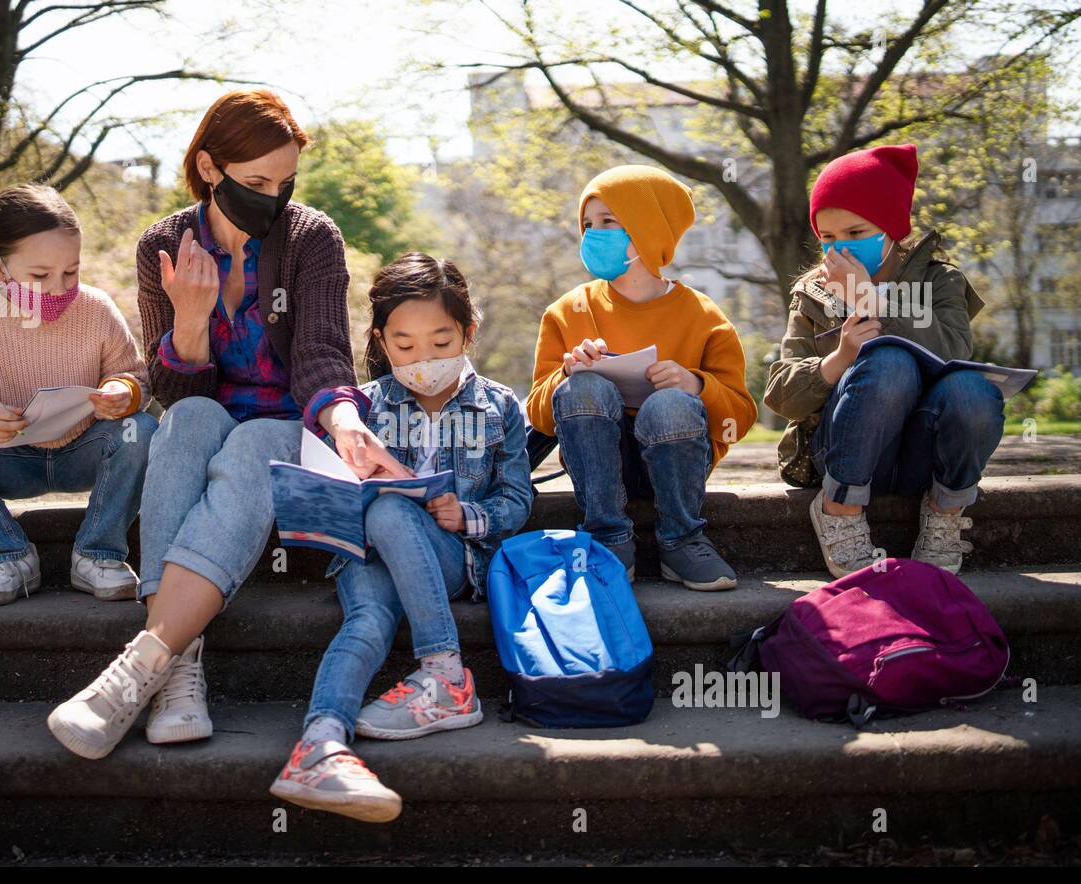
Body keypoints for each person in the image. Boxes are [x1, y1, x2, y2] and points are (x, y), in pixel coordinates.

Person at [47, 89, 406, 759]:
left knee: (249, 441)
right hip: (203, 417)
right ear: (210, 168)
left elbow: (323, 353)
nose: (275, 196)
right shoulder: (163, 243)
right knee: (184, 423)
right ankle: (178, 668)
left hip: (289, 426)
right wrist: (189, 318)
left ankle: (146, 662)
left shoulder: (310, 237)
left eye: (286, 180)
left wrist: (347, 418)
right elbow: (176, 389)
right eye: (256, 181)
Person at [269, 253, 532, 822]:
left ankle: (445, 674)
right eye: (405, 345)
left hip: (451, 558)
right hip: (368, 556)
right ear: (383, 342)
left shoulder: (499, 406)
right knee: (367, 616)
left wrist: (467, 516)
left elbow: (517, 500)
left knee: (391, 513)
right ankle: (322, 742)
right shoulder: (365, 406)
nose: (424, 359)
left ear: (467, 332)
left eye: (441, 341)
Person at [0, 183, 155, 607]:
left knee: (143, 430)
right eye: (39, 276)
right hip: (7, 457)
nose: (59, 287)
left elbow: (134, 376)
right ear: (0, 268)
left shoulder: (96, 309)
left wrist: (124, 392)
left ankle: (99, 554)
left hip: (86, 449)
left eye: (71, 272)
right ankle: (7, 557)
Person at [764, 143, 1002, 577]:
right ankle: (839, 510)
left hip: (919, 452)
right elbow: (781, 395)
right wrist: (839, 359)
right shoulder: (813, 293)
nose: (843, 249)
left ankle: (944, 512)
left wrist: (871, 301)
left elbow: (953, 350)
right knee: (888, 363)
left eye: (856, 233)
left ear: (891, 228)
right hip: (843, 451)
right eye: (829, 238)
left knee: (973, 390)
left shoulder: (941, 280)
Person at [526, 165, 756, 590]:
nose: (594, 234)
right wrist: (567, 375)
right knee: (585, 387)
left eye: (608, 222)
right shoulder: (565, 311)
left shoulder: (703, 315)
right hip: (598, 461)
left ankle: (683, 539)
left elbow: (737, 420)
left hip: (678, 461)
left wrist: (698, 386)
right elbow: (540, 419)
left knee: (671, 404)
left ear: (648, 230)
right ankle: (607, 538)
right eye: (588, 225)